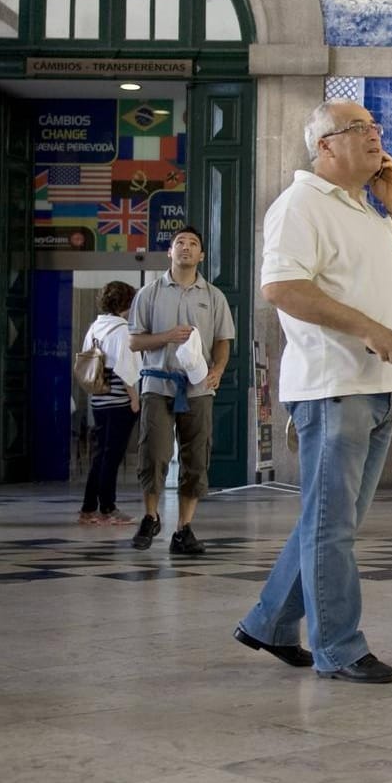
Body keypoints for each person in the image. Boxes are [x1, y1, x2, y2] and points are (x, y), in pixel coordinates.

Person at [235, 101, 392, 684]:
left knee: (331, 522)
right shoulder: (300, 204)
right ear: (325, 146)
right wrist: (367, 328)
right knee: (331, 526)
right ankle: (339, 647)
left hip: (379, 385)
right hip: (333, 387)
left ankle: (268, 622)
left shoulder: (366, 211)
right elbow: (282, 287)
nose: (376, 136)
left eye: (376, 128)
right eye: (361, 129)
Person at [127, 227, 234, 554]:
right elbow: (134, 341)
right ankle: (150, 516)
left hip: (199, 387)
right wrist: (166, 336)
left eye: (193, 244)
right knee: (154, 452)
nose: (186, 248)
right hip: (158, 384)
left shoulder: (214, 296)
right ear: (169, 253)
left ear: (201, 255)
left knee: (196, 457)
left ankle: (184, 529)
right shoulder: (149, 293)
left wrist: (217, 370)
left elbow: (222, 341)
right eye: (179, 243)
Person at [80, 280, 142, 525]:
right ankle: (107, 507)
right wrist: (134, 399)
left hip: (98, 399)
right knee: (113, 456)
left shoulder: (96, 327)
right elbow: (127, 370)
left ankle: (88, 507)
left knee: (100, 454)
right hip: (119, 401)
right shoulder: (123, 330)